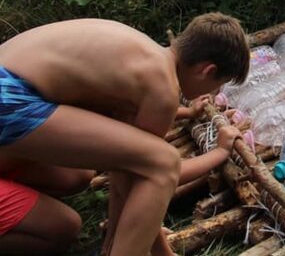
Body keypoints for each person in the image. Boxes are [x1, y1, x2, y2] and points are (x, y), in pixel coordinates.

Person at [0, 13, 249, 255]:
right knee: (164, 162)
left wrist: (116, 234)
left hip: (11, 87)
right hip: (10, 97)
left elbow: (127, 169)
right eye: (219, 83)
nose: (214, 91)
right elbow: (154, 172)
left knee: (84, 173)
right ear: (207, 70)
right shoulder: (163, 86)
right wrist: (220, 152)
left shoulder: (146, 56)